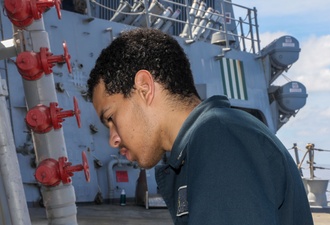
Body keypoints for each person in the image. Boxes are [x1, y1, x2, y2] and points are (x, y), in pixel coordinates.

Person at [87, 28, 313, 225]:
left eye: (110, 118)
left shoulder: (220, 143)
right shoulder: (210, 140)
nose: (113, 139)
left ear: (145, 88)